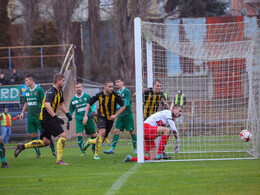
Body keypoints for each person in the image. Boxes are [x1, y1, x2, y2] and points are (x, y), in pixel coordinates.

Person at [14, 73, 72, 165]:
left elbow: (61, 104)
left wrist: (67, 113)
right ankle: (59, 160)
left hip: (46, 118)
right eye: (63, 81)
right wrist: (55, 117)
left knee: (46, 142)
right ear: (58, 81)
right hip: (47, 117)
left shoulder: (60, 92)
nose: (64, 83)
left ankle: (23, 146)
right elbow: (47, 105)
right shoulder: (51, 92)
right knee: (63, 136)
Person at [82, 81, 126, 160]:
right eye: (110, 87)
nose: (112, 88)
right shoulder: (99, 95)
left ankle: (89, 141)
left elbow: (123, 106)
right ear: (105, 87)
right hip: (101, 116)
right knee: (102, 131)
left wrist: (115, 115)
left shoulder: (115, 95)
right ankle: (96, 155)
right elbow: (89, 103)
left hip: (110, 119)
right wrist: (85, 115)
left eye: (112, 86)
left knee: (102, 140)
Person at [19, 74, 56, 158]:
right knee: (33, 134)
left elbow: (44, 101)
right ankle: (38, 153)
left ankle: (53, 151)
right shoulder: (27, 91)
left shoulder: (39, 90)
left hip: (39, 116)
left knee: (46, 134)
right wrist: (22, 112)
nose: (25, 82)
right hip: (30, 116)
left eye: (26, 81)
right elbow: (26, 103)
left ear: (31, 81)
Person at [103, 78, 137, 154]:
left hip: (127, 115)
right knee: (116, 131)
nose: (117, 84)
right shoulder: (116, 92)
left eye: (118, 82)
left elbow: (127, 103)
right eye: (116, 82)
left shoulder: (127, 91)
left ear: (122, 82)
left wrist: (118, 107)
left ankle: (136, 148)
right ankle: (112, 149)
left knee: (131, 131)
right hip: (120, 115)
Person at [67, 82, 97, 156]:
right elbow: (70, 110)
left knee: (93, 134)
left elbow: (93, 105)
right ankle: (83, 152)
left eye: (79, 87)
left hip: (88, 118)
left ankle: (94, 148)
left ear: (81, 87)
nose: (78, 89)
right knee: (79, 134)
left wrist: (93, 111)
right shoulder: (73, 100)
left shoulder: (87, 96)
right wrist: (68, 119)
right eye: (77, 87)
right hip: (79, 119)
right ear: (75, 89)